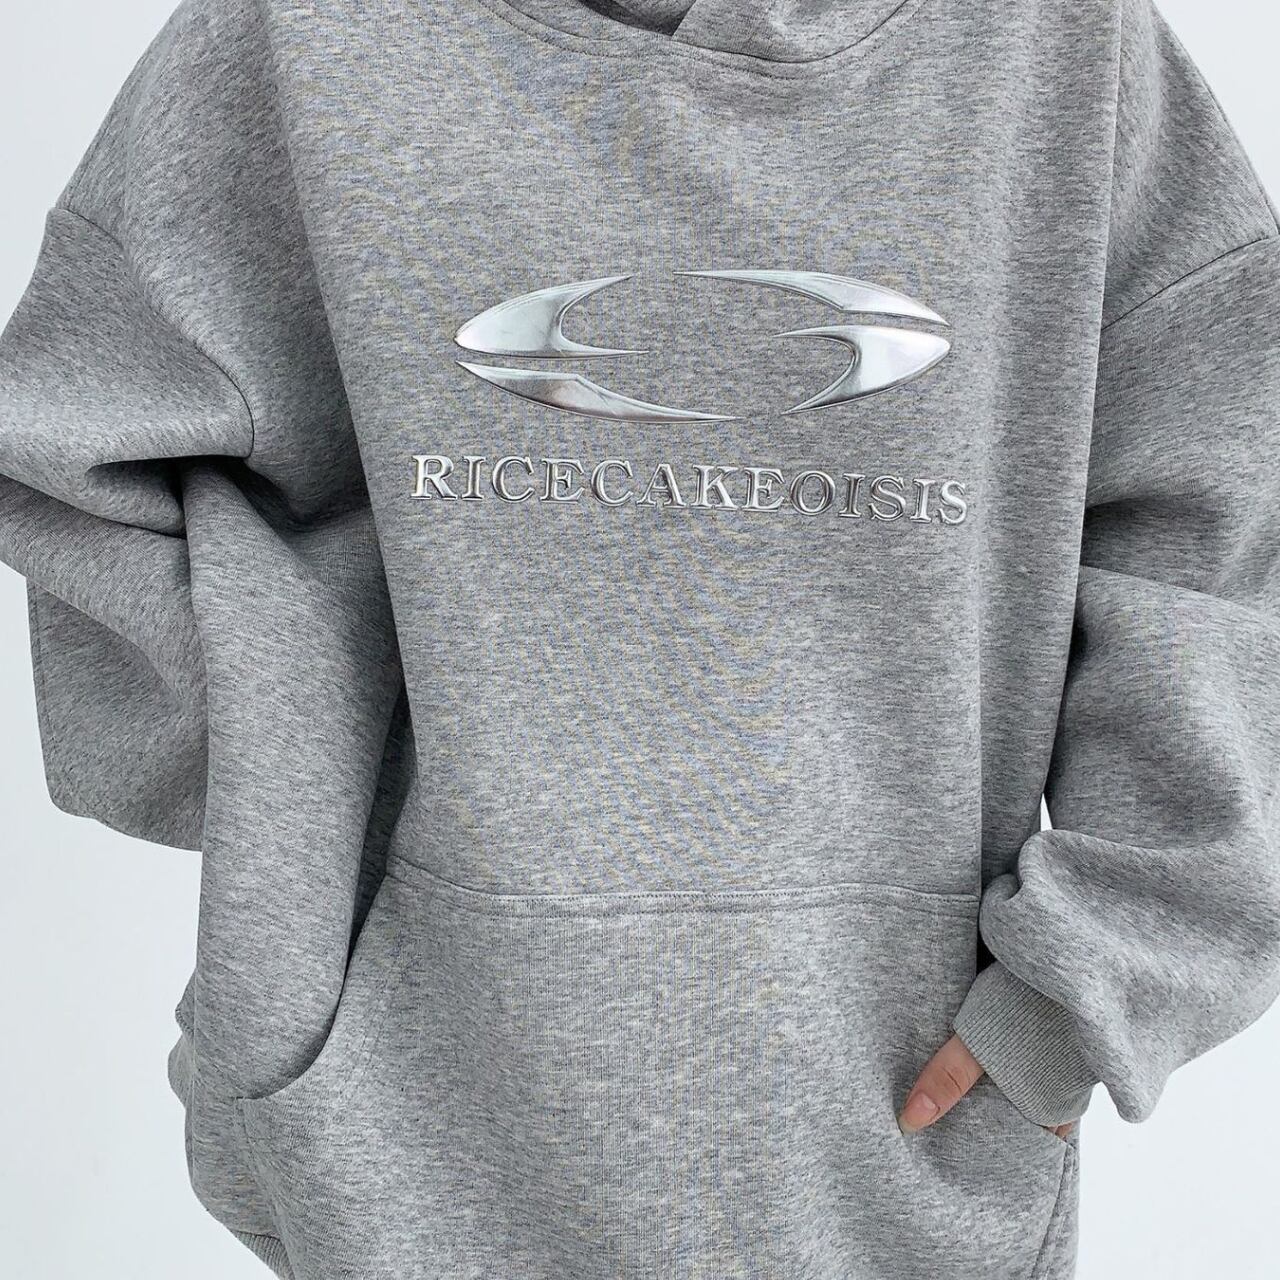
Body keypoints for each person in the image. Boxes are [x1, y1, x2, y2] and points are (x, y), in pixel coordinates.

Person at [2, 0, 1278, 1276]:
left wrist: (1090, 980)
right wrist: (296, 808)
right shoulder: (301, 35)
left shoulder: (1060, 49)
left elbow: (1229, 518)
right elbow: (75, 448)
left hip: (894, 1136)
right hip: (397, 1131)